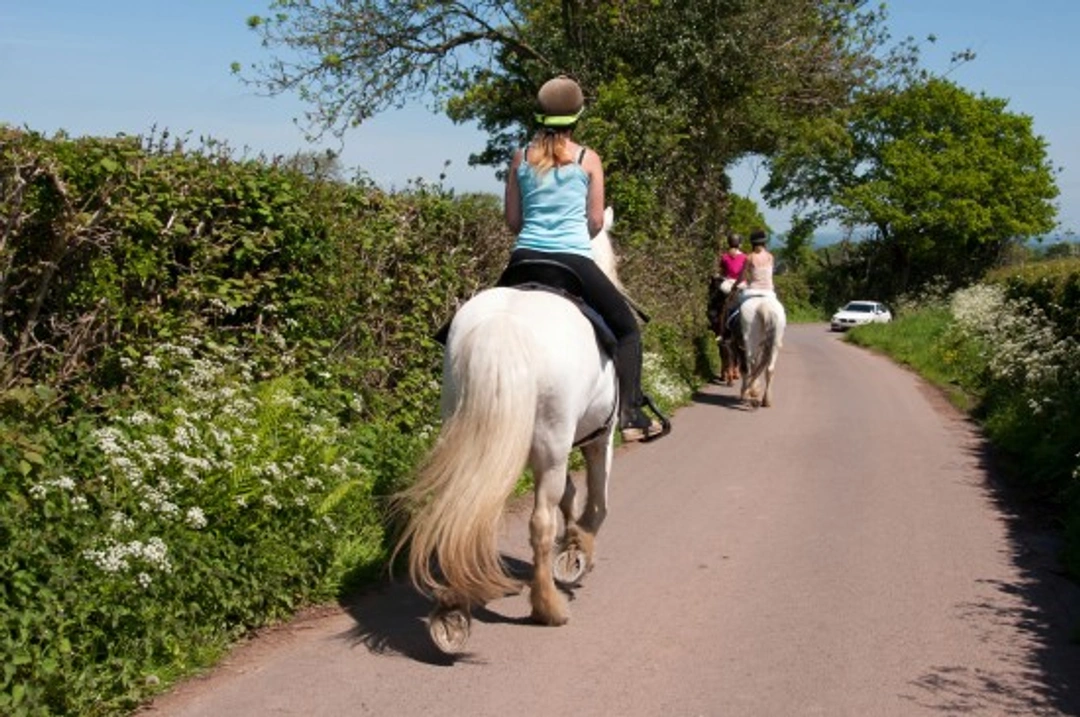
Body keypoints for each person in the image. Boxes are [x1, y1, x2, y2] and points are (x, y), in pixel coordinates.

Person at [501, 75, 662, 442]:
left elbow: (512, 221)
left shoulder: (520, 157)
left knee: (476, 318)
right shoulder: (589, 159)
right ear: (578, 116)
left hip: (523, 258)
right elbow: (594, 221)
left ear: (539, 117)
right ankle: (632, 415)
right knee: (626, 329)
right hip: (573, 261)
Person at [737, 228, 775, 298]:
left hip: (753, 290)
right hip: (769, 292)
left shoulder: (750, 257)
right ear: (764, 242)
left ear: (752, 243)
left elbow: (742, 276)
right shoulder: (770, 257)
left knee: (737, 304)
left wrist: (735, 285)